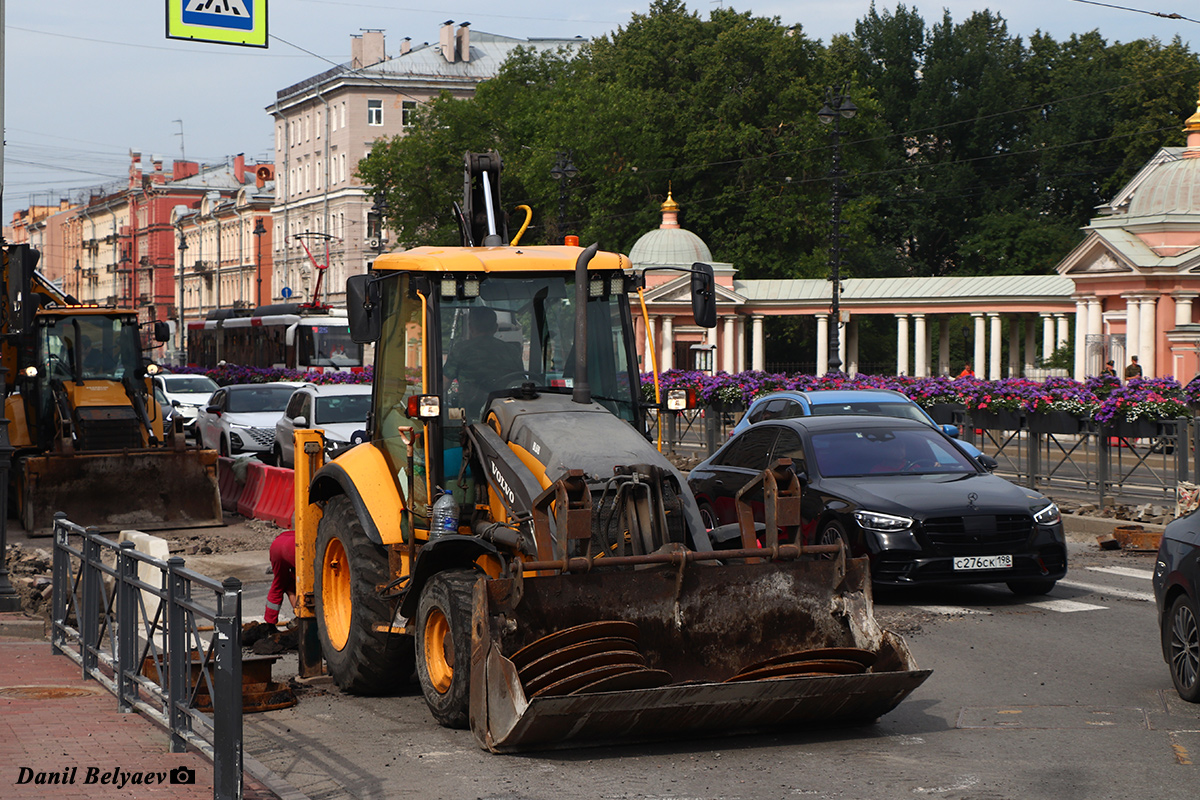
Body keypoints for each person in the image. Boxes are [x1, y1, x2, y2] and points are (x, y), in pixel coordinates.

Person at [442, 306, 524, 421]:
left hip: (469, 413)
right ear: (495, 328)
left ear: (470, 328)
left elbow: (444, 384)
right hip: (505, 414)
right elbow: (519, 380)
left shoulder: (461, 349)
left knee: (450, 420)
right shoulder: (511, 350)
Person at [264, 529, 296, 628]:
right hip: (294, 546)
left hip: (277, 545)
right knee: (305, 586)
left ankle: (270, 624)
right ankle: (302, 617)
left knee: (279, 583)